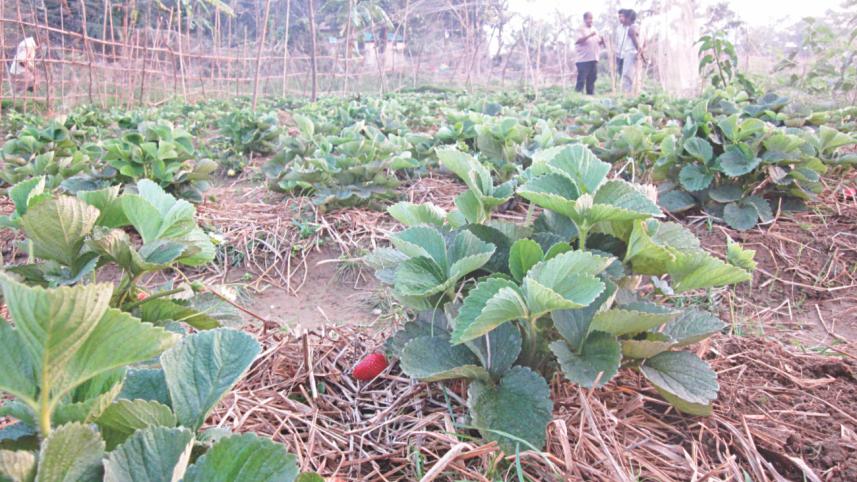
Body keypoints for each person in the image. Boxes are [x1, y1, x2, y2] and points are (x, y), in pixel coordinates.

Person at [615, 9, 646, 95]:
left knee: (627, 76)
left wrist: (640, 52)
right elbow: (644, 42)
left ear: (628, 18)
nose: (622, 18)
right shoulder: (638, 27)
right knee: (633, 76)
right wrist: (641, 53)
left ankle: (628, 95)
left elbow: (636, 42)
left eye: (624, 17)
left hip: (631, 53)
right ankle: (634, 93)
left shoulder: (632, 28)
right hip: (631, 54)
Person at [574, 12, 604, 95]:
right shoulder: (580, 29)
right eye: (589, 18)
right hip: (583, 60)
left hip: (593, 58)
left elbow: (598, 42)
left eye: (592, 18)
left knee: (592, 79)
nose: (591, 20)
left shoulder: (594, 29)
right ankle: (577, 97)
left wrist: (602, 41)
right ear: (584, 19)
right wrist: (589, 35)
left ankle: (590, 97)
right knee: (581, 80)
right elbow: (577, 41)